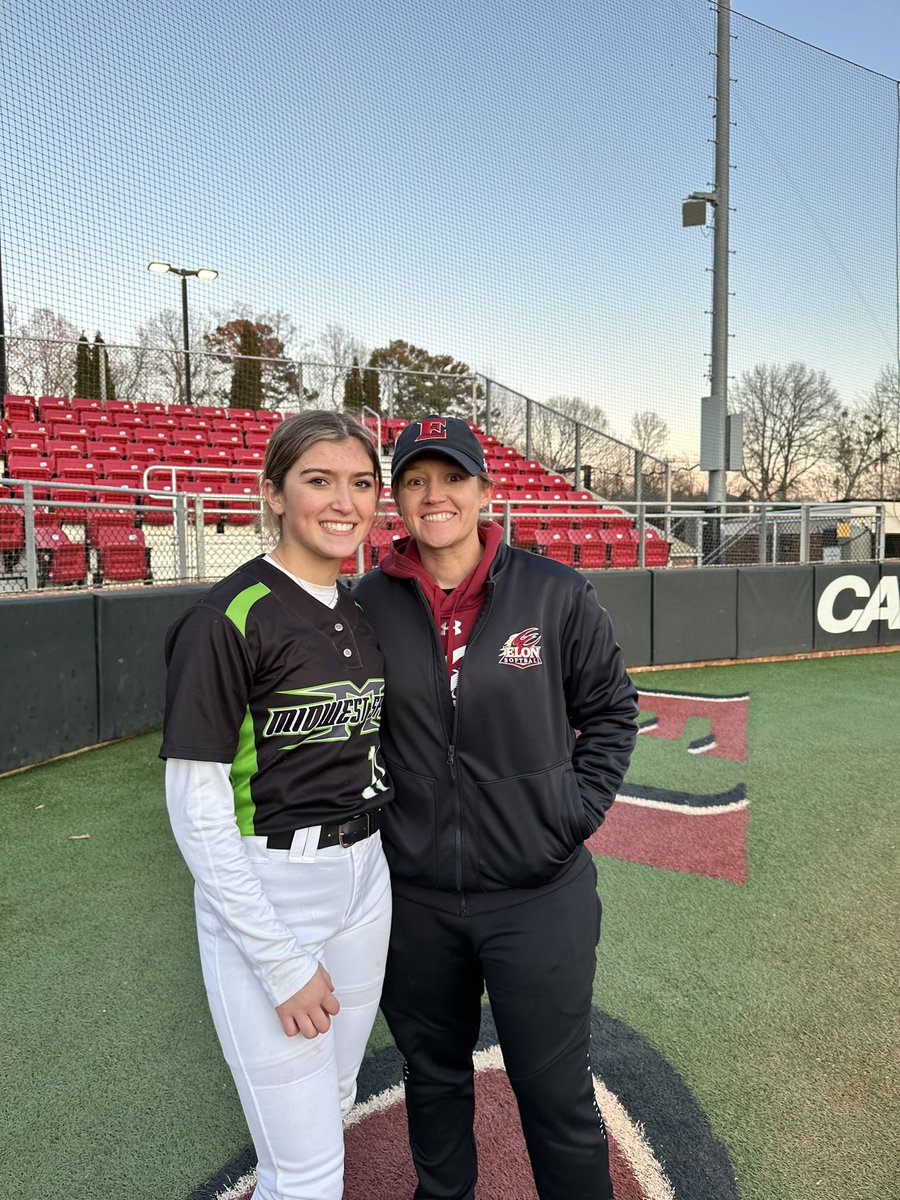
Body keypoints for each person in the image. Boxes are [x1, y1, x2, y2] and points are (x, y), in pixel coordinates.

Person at [353, 415, 638, 1200]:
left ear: (486, 490)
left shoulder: (555, 592)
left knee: (555, 1097)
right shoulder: (364, 604)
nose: (433, 495)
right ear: (397, 500)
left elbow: (612, 713)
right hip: (415, 900)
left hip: (538, 894)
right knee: (434, 1083)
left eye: (451, 478)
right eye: (414, 480)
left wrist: (569, 813)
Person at [160, 410, 393, 1200]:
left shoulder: (357, 613)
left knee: (334, 1100)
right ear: (272, 494)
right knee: (308, 1170)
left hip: (367, 878)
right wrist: (280, 959)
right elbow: (196, 812)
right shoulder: (229, 615)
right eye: (318, 480)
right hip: (270, 887)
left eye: (360, 483)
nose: (343, 501)